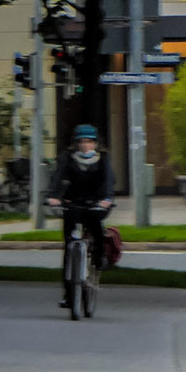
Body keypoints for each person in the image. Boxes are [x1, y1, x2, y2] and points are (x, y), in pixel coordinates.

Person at [45, 125, 114, 305]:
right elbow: (57, 177)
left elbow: (108, 179)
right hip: (73, 202)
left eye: (89, 142)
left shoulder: (103, 158)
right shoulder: (67, 158)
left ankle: (99, 257)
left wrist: (107, 198)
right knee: (69, 247)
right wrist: (53, 196)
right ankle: (69, 294)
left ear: (96, 143)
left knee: (96, 228)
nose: (85, 145)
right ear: (76, 143)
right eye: (82, 142)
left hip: (96, 202)